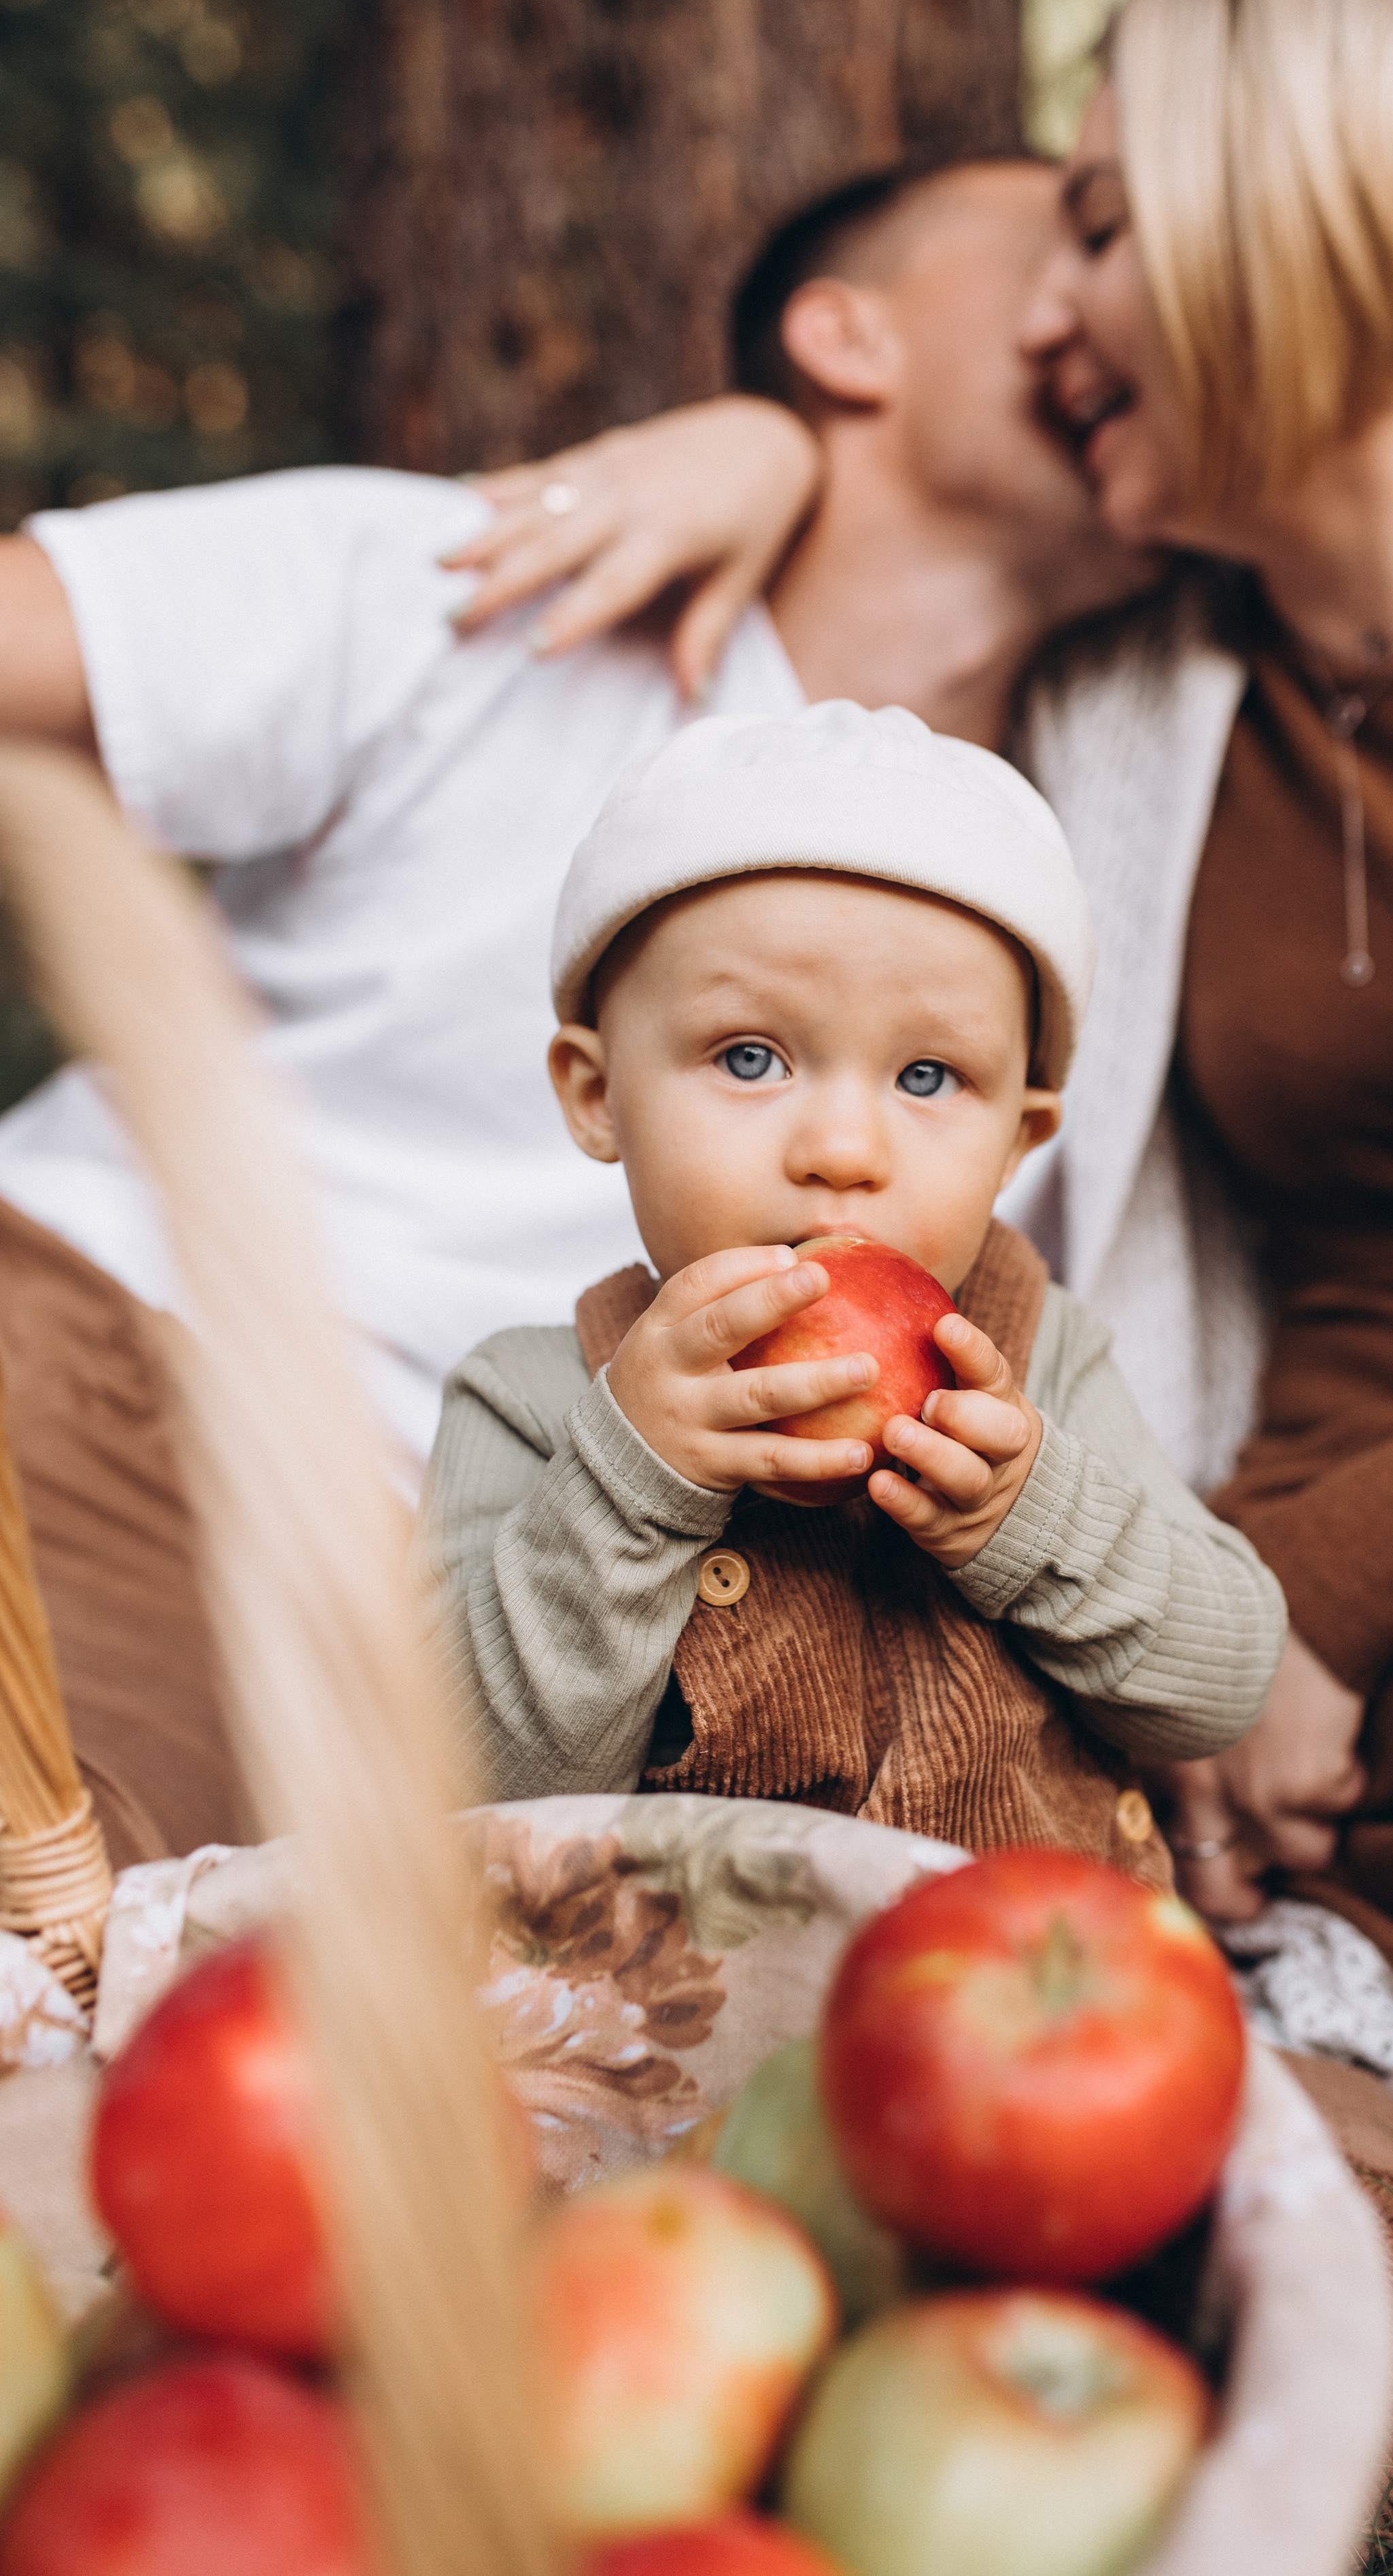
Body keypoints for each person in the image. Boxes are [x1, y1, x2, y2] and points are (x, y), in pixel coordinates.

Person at [449, 0, 1393, 2213]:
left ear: (1306, 214)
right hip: (1243, 1627)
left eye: (1110, 227)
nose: (1058, 319)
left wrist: (1309, 1596)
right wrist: (760, 426)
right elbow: (808, 821)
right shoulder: (1121, 695)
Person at [0, 156, 1150, 1864]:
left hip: (543, 1591)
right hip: (123, 1346)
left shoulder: (1142, 813)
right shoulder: (490, 580)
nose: (1138, 276)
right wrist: (758, 433)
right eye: (1082, 224)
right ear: (847, 339)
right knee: (85, 1916)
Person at [422, 700, 1284, 1852]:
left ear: (1017, 1148)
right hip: (683, 2018)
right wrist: (630, 1483)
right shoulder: (530, 1399)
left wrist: (1028, 1514)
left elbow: (1221, 1686)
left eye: (927, 1078)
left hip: (1026, 1997)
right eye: (749, 1057)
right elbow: (461, 1788)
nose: (843, 1149)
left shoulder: (1042, 1365)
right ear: (596, 1095)